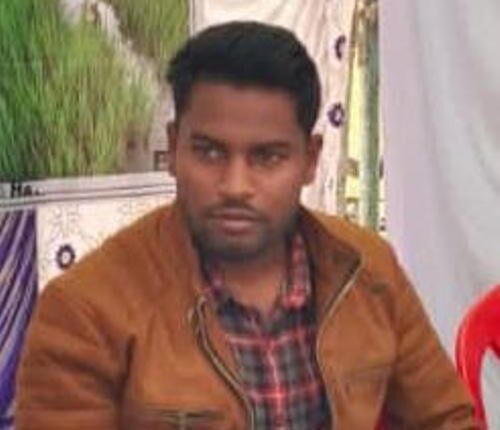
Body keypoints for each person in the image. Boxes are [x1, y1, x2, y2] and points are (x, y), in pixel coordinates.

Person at [16, 21, 478, 430]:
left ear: (310, 159)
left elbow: (446, 420)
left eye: (267, 157)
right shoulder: (85, 309)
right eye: (209, 152)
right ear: (173, 149)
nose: (235, 186)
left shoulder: (366, 270)